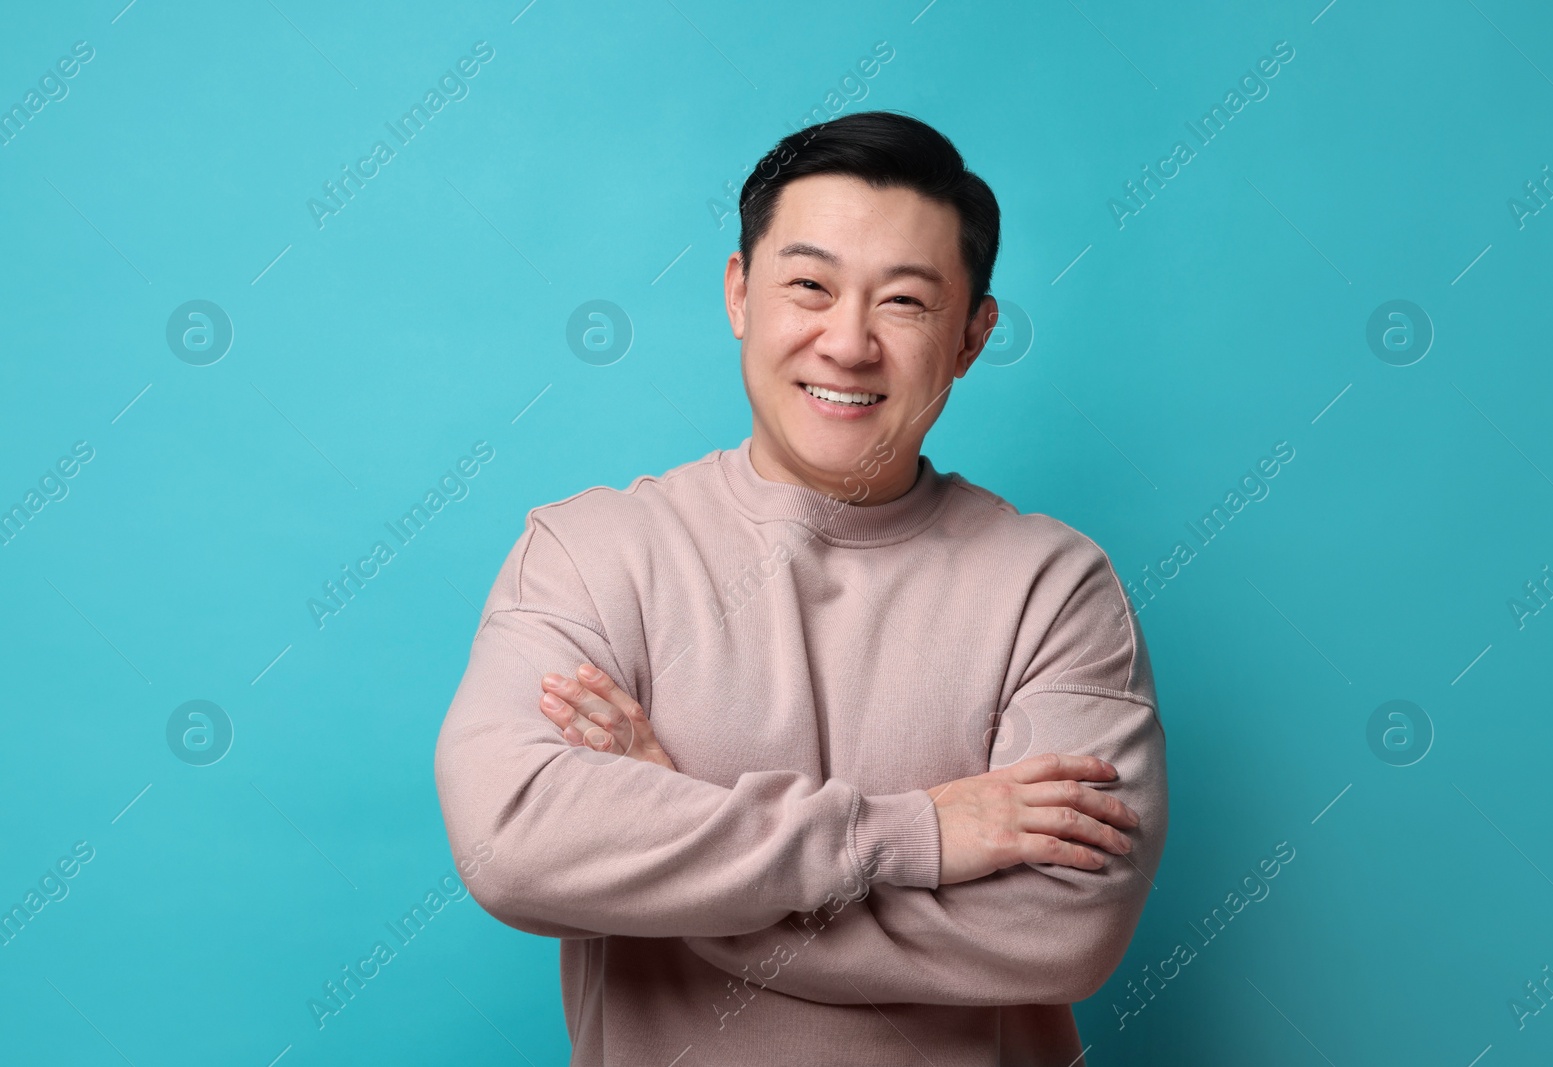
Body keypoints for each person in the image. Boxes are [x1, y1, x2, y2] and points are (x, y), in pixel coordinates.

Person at [434, 110, 1167, 1066]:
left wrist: (682, 863)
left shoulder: (1055, 588)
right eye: (809, 286)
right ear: (740, 292)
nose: (848, 343)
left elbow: (1063, 929)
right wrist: (915, 834)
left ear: (973, 335)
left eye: (904, 302)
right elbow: (513, 839)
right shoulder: (588, 552)